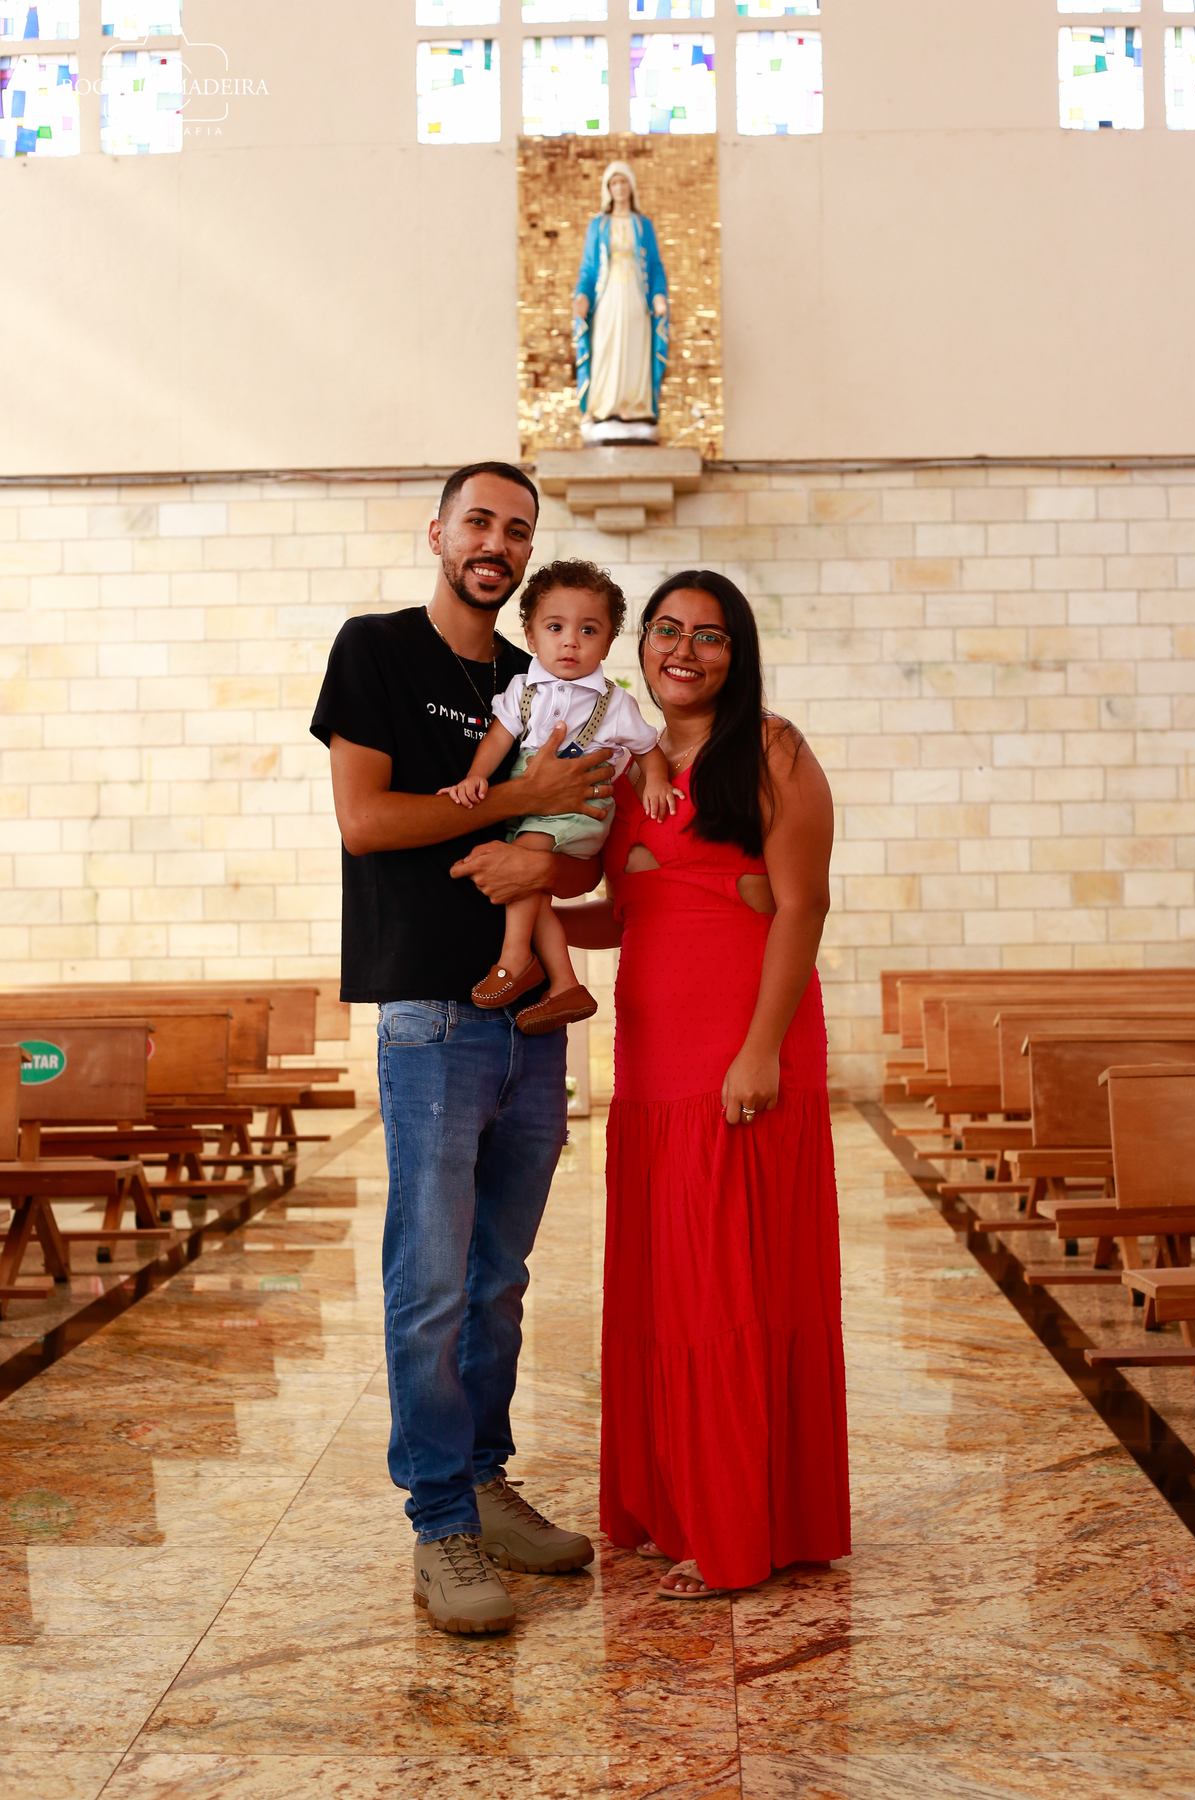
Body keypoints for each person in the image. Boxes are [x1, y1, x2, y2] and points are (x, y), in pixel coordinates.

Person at [310, 462, 611, 1638]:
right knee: (432, 1282)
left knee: (499, 1279)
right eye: (479, 521)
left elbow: (579, 832)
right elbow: (366, 820)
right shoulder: (377, 649)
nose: (497, 542)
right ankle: (439, 1522)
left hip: (531, 1018)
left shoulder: (543, 671)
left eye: (517, 530)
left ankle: (485, 1481)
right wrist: (514, 798)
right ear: (438, 532)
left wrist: (546, 847)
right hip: (429, 1015)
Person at [559, 570, 851, 1598]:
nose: (684, 650)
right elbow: (630, 909)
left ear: (740, 651)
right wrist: (532, 911)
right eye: (667, 630)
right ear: (640, 645)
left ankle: (737, 1530)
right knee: (666, 1294)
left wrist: (761, 1051)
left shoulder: (771, 750)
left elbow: (802, 906)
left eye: (710, 635)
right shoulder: (623, 761)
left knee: (729, 1291)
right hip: (650, 1061)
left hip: (741, 1050)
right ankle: (675, 1506)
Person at [440, 558, 676, 1035]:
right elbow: (499, 738)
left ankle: (514, 959)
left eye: (588, 630)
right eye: (555, 627)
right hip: (535, 810)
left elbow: (648, 748)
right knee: (533, 892)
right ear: (530, 636)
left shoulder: (613, 702)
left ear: (608, 642)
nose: (571, 641)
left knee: (522, 863)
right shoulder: (521, 689)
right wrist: (476, 776)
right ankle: (565, 984)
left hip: (579, 809)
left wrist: (656, 780)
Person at [573, 161, 669, 440]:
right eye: (614, 183)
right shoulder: (598, 225)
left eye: (623, 182)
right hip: (608, 296)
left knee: (635, 347)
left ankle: (635, 407)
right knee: (605, 347)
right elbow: (588, 268)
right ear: (608, 188)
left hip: (636, 296)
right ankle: (603, 406)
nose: (619, 188)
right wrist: (582, 296)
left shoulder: (643, 225)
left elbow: (655, 265)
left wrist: (658, 295)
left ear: (631, 186)